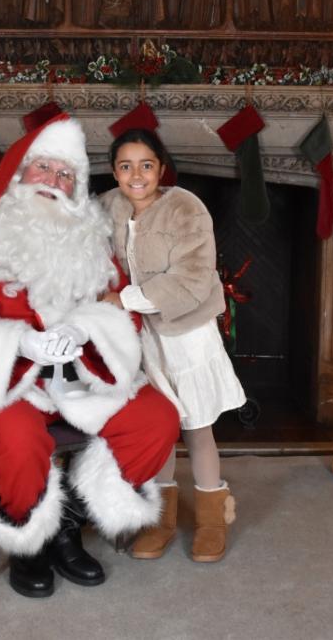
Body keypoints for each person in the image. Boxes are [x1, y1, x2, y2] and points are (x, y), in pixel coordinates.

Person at [0, 115, 180, 598]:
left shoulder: (89, 241)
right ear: (19, 171)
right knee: (18, 435)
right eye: (45, 168)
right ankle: (29, 543)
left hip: (74, 377)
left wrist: (82, 333)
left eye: (67, 175)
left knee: (158, 417)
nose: (55, 182)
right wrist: (20, 344)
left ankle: (66, 522)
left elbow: (119, 316)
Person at [99, 129, 246, 563]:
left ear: (161, 168)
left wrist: (123, 298)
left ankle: (211, 520)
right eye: (126, 166)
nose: (136, 175)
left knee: (197, 428)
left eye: (146, 165)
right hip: (141, 338)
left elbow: (193, 277)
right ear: (115, 172)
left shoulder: (186, 208)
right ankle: (159, 519)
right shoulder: (108, 206)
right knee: (159, 429)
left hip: (185, 335)